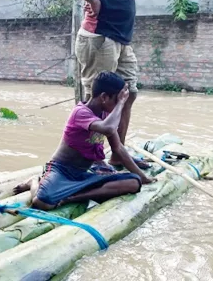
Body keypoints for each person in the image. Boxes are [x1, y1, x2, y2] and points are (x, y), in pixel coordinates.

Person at [58, 0, 143, 169]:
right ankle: (89, 162)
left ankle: (117, 153)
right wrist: (92, 0)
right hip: (99, 37)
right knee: (97, 104)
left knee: (128, 94)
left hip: (119, 38)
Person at [15, 72, 155, 210]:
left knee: (133, 182)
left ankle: (73, 197)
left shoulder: (106, 115)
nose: (120, 105)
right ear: (104, 97)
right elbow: (108, 128)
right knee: (41, 202)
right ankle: (34, 181)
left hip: (85, 172)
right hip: (62, 171)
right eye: (116, 101)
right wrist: (121, 103)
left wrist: (143, 178)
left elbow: (118, 148)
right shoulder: (81, 113)